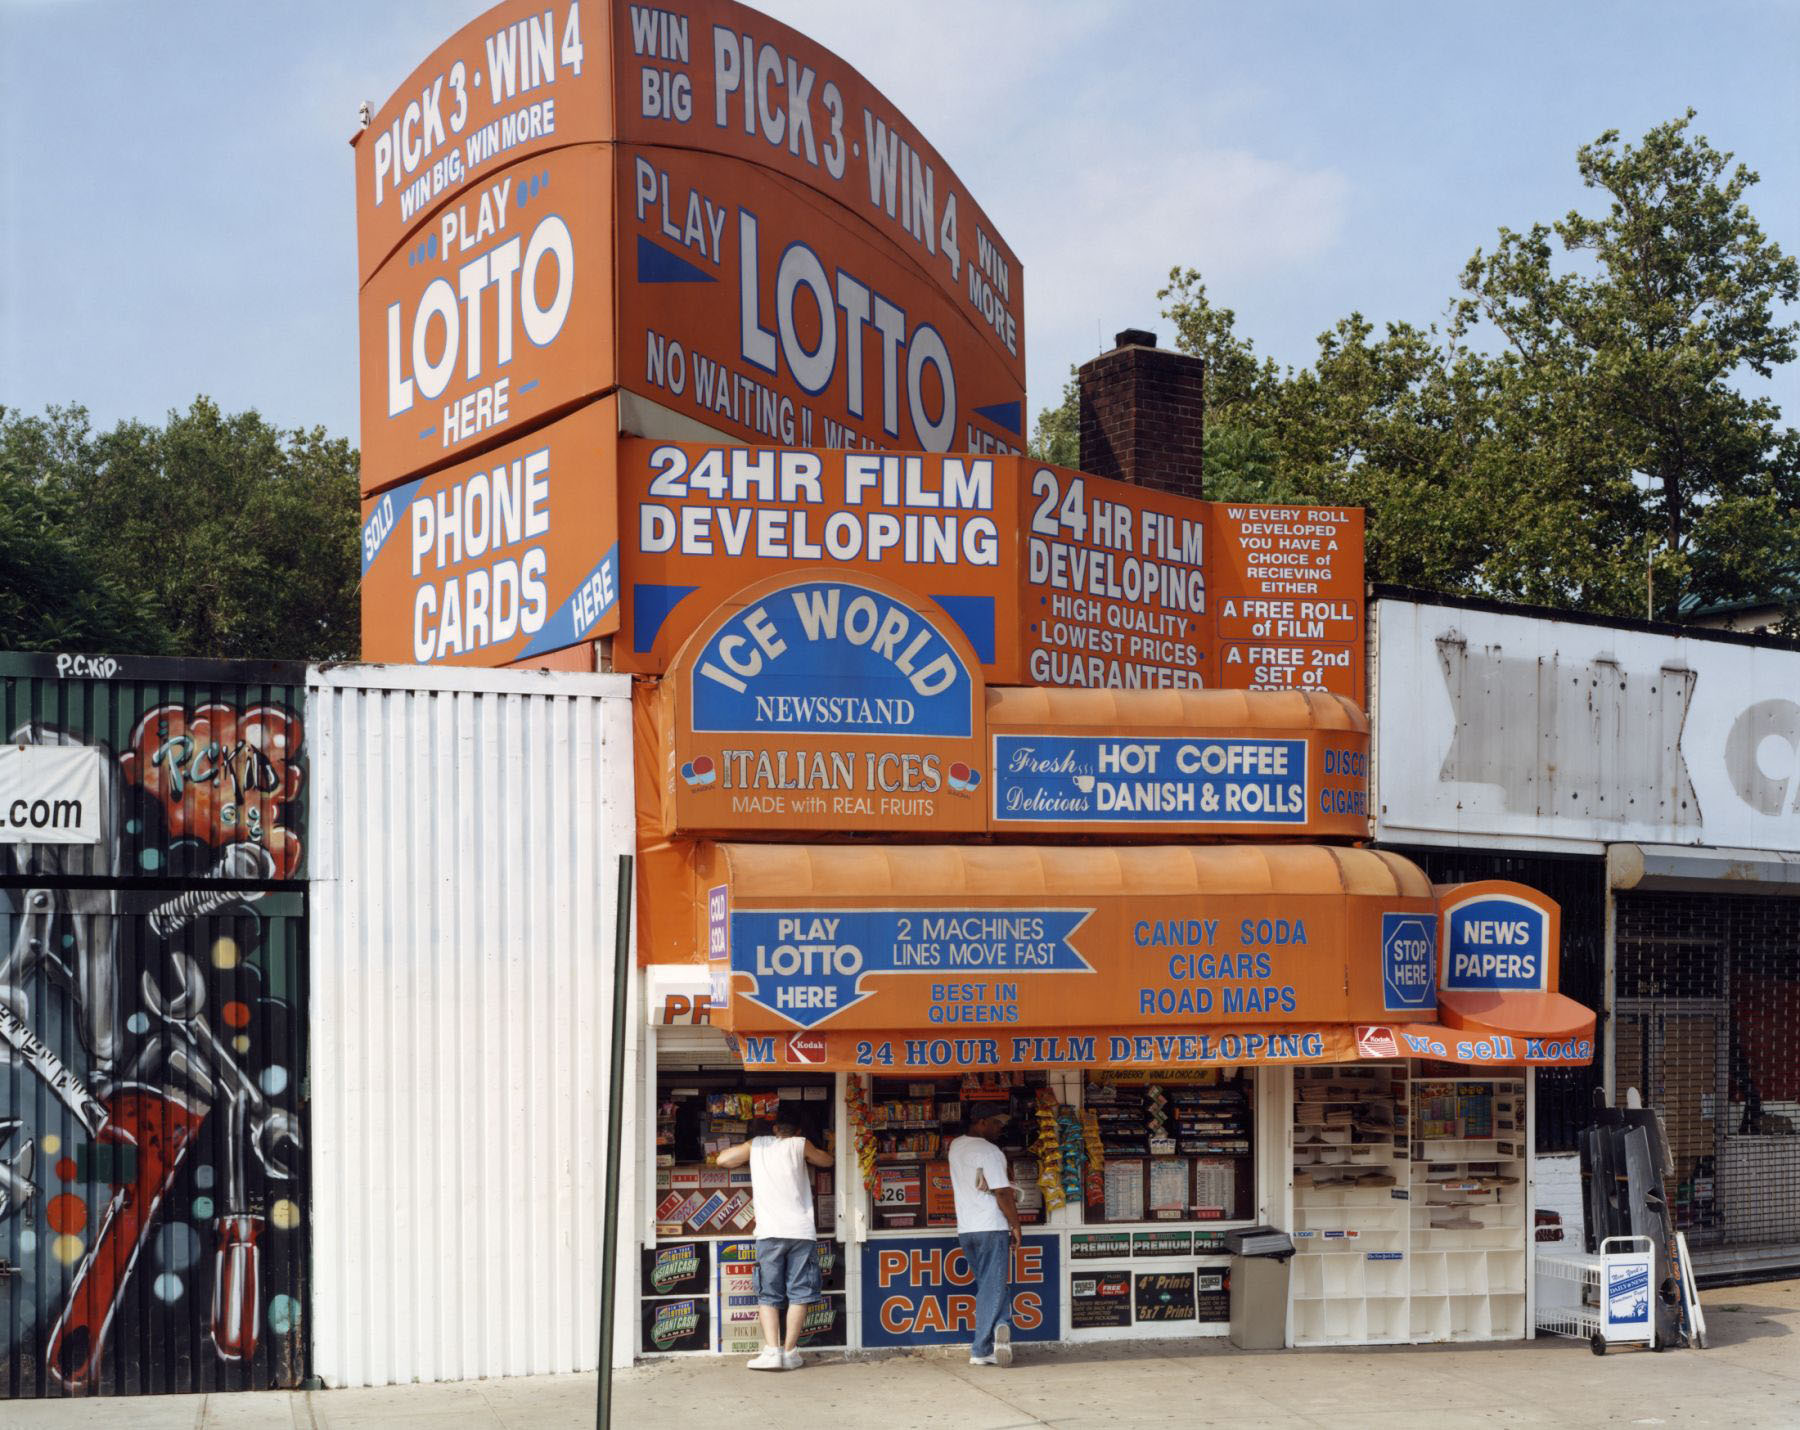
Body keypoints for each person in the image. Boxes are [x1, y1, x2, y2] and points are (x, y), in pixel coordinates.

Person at [716, 1103, 833, 1370]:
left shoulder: (758, 1144)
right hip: (801, 1232)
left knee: (769, 1293)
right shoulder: (801, 1144)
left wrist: (748, 1151)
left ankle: (771, 1351)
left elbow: (723, 1160)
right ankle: (790, 1352)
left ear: (775, 1127)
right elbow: (827, 1161)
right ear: (798, 1130)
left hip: (769, 1232)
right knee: (799, 1293)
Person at [947, 1107, 1023, 1367]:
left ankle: (1001, 1327)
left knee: (990, 1285)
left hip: (967, 1229)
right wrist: (1016, 1226)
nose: (1000, 1128)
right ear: (980, 1123)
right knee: (992, 1286)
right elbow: (1002, 1192)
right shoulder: (990, 1151)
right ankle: (980, 1349)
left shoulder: (956, 1146)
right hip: (991, 1226)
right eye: (996, 1122)